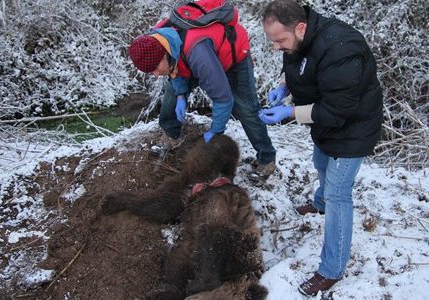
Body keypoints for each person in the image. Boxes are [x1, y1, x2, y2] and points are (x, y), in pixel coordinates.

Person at [259, 0, 383, 296]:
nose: (276, 47)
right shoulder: (300, 39)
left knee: (339, 193)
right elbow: (295, 64)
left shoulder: (342, 48)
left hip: (353, 126)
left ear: (300, 28)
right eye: (272, 41)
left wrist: (289, 114)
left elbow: (337, 110)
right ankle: (320, 203)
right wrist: (284, 86)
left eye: (279, 40)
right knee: (320, 160)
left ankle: (331, 269)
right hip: (327, 124)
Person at [128, 13, 276, 177]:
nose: (155, 74)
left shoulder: (198, 53)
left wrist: (215, 131)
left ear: (164, 54)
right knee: (171, 91)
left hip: (231, 58)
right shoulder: (158, 39)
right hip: (189, 57)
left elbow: (223, 98)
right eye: (151, 72)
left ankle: (266, 159)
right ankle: (171, 136)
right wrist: (180, 95)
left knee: (246, 109)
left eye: (155, 68)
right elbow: (173, 70)